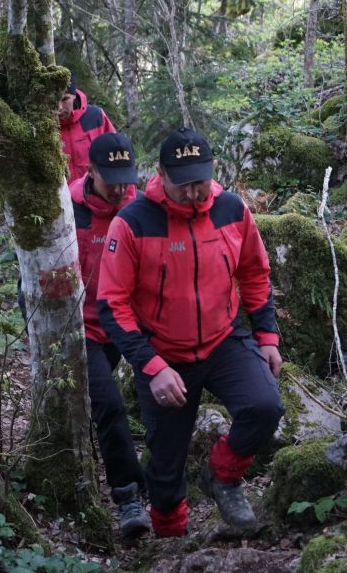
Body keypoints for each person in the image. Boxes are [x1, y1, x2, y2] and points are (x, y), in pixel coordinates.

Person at [97, 127, 285, 537]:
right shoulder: (133, 222)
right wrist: (150, 365)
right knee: (165, 469)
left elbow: (254, 273)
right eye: (183, 184)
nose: (194, 192)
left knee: (265, 406)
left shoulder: (232, 210)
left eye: (200, 180)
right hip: (163, 353)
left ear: (212, 170)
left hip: (223, 340)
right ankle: (169, 545)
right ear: (161, 175)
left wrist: (266, 336)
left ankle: (223, 475)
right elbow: (111, 303)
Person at [71, 132, 150, 540]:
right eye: (111, 180)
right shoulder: (68, 208)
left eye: (126, 179)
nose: (120, 188)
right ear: (91, 172)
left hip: (128, 322)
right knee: (110, 406)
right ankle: (127, 494)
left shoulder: (137, 205)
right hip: (83, 328)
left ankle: (163, 480)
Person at [59, 72, 116, 183]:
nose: (59, 107)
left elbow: (116, 156)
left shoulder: (96, 117)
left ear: (74, 95)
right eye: (55, 100)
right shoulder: (44, 125)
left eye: (65, 99)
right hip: (60, 197)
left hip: (93, 195)